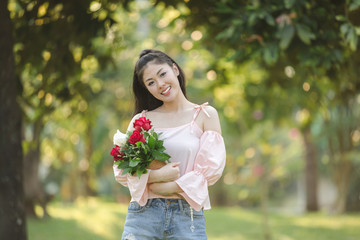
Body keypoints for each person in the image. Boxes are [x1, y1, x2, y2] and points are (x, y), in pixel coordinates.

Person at [113, 49, 226, 240]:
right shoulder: (141, 120)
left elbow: (210, 171)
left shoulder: (205, 116)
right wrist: (157, 176)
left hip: (186, 216)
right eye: (151, 83)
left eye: (162, 74)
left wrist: (170, 187)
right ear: (146, 89)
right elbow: (123, 171)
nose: (160, 85)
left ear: (175, 69)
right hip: (143, 215)